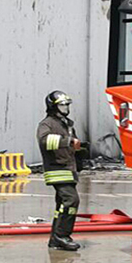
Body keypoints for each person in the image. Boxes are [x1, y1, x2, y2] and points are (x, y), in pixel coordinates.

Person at [38, 91, 83, 251]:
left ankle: (55, 239)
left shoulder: (67, 124)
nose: (66, 107)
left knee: (61, 205)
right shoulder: (47, 124)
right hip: (57, 169)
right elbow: (44, 141)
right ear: (53, 106)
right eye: (62, 105)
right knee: (71, 201)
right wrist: (68, 142)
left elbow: (73, 144)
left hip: (68, 169)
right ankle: (62, 236)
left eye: (67, 104)